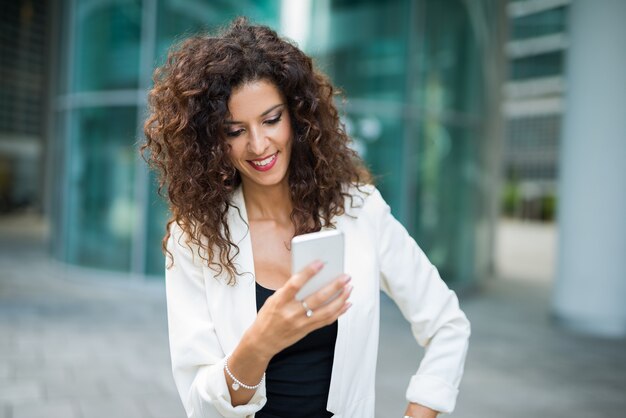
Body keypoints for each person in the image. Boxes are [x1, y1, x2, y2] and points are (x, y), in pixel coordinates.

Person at [143, 17, 470, 418]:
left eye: (270, 119)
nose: (258, 144)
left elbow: (447, 324)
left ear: (297, 116)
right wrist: (262, 339)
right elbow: (200, 405)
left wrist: (420, 411)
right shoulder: (195, 238)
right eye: (234, 130)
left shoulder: (359, 211)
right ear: (212, 139)